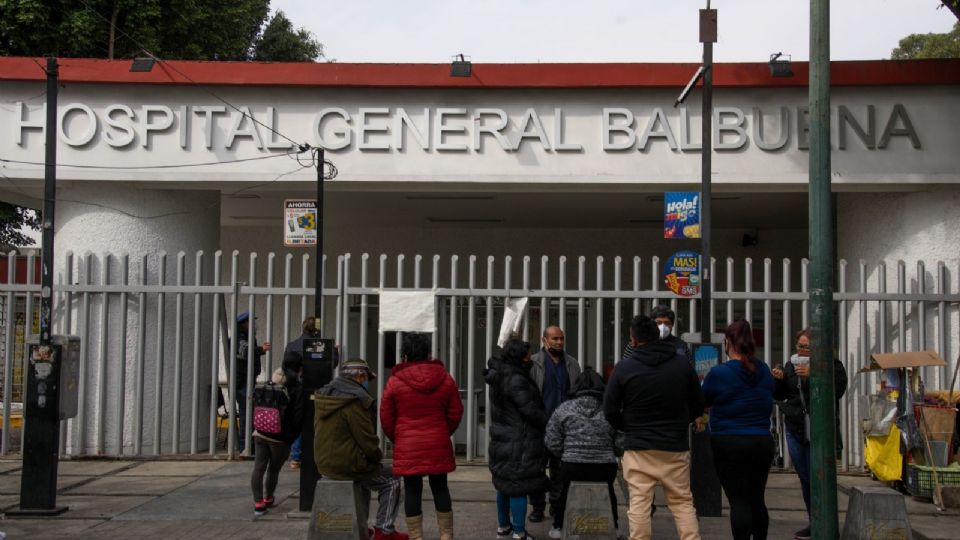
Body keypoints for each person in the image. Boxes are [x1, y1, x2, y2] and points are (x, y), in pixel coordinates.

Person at [603, 315, 702, 540]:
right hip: (674, 445)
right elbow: (697, 403)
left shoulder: (624, 367)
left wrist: (627, 426)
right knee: (682, 502)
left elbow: (609, 409)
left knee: (639, 504)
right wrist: (680, 423)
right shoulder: (682, 365)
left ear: (634, 340)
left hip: (638, 446)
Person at [380, 333, 464, 540]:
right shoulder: (445, 379)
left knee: (412, 490)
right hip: (438, 441)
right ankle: (446, 535)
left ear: (405, 356)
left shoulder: (394, 382)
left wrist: (398, 438)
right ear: (428, 354)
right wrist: (444, 431)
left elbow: (386, 417)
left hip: (407, 444)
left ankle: (417, 537)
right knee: (440, 487)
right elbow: (456, 412)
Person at [314, 357, 408, 540]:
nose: (367, 383)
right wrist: (377, 457)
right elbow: (367, 440)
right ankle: (385, 530)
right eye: (367, 378)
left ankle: (361, 526)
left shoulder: (325, 394)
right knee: (393, 478)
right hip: (348, 465)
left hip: (324, 462)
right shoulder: (355, 400)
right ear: (359, 375)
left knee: (367, 477)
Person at [702, 319, 775, 540]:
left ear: (727, 343)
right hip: (762, 440)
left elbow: (703, 400)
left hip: (729, 440)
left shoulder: (719, 373)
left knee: (739, 501)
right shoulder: (763, 369)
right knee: (757, 498)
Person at [772, 328, 848, 540]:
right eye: (800, 346)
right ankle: (813, 521)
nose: (803, 351)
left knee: (820, 476)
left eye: (807, 347)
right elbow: (780, 394)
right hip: (795, 425)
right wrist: (778, 378)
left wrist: (815, 374)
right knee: (805, 477)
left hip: (818, 428)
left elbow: (838, 390)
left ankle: (824, 521)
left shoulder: (833, 366)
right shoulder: (791, 364)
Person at [485, 337, 550, 540]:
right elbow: (529, 410)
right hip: (518, 441)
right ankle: (519, 532)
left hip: (502, 438)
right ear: (519, 357)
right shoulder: (516, 378)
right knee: (517, 487)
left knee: (504, 484)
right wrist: (548, 423)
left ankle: (504, 527)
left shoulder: (499, 375)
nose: (530, 357)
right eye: (527, 354)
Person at [543, 367, 619, 539]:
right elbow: (621, 441)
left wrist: (565, 453)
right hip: (605, 467)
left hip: (572, 465)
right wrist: (611, 451)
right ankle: (613, 526)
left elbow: (551, 440)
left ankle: (558, 527)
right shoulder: (610, 410)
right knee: (609, 490)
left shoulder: (564, 409)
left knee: (565, 490)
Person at [528, 325, 581, 523]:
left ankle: (557, 507)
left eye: (561, 339)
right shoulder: (534, 363)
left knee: (560, 471)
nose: (559, 342)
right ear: (544, 340)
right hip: (540, 426)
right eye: (555, 339)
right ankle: (537, 507)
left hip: (564, 428)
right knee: (537, 469)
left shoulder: (572, 364)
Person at [250, 358, 304, 516]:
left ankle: (258, 504)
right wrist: (293, 436)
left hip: (260, 432)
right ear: (299, 369)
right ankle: (268, 498)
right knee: (273, 469)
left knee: (258, 468)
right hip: (280, 438)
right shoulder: (296, 387)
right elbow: (298, 415)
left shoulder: (270, 383)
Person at [282, 316, 323, 470]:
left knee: (298, 420)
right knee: (315, 420)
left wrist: (296, 378)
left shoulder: (292, 345)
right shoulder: (318, 345)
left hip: (294, 390)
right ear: (316, 330)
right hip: (313, 389)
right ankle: (314, 454)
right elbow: (328, 365)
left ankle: (296, 457)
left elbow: (285, 367)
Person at [233, 311, 271, 453]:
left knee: (249, 412)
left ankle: (249, 445)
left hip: (248, 380)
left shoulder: (248, 336)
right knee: (246, 413)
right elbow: (245, 352)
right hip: (242, 382)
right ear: (243, 324)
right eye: (250, 322)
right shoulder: (239, 337)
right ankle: (245, 446)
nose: (253, 325)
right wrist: (261, 349)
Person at [621, 305, 691, 361]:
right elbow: (626, 367)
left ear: (672, 325)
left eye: (667, 323)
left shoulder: (681, 346)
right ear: (652, 324)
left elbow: (689, 369)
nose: (663, 326)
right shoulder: (637, 343)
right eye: (659, 323)